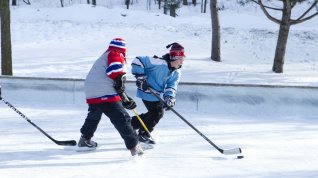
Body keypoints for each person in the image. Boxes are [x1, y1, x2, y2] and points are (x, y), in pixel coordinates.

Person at [77, 38, 143, 156]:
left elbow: (115, 84)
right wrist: (121, 91)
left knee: (94, 115)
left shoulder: (104, 56)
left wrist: (124, 98)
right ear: (123, 49)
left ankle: (84, 140)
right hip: (104, 91)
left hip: (92, 91)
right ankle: (134, 147)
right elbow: (115, 72)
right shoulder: (115, 53)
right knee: (122, 118)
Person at [130, 42, 186, 144]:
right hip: (147, 90)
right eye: (181, 59)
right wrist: (141, 78)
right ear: (174, 58)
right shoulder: (158, 62)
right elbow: (137, 60)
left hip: (156, 94)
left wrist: (169, 97)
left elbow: (171, 85)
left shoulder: (176, 72)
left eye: (183, 59)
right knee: (157, 113)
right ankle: (143, 134)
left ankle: (130, 123)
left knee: (155, 113)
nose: (182, 62)